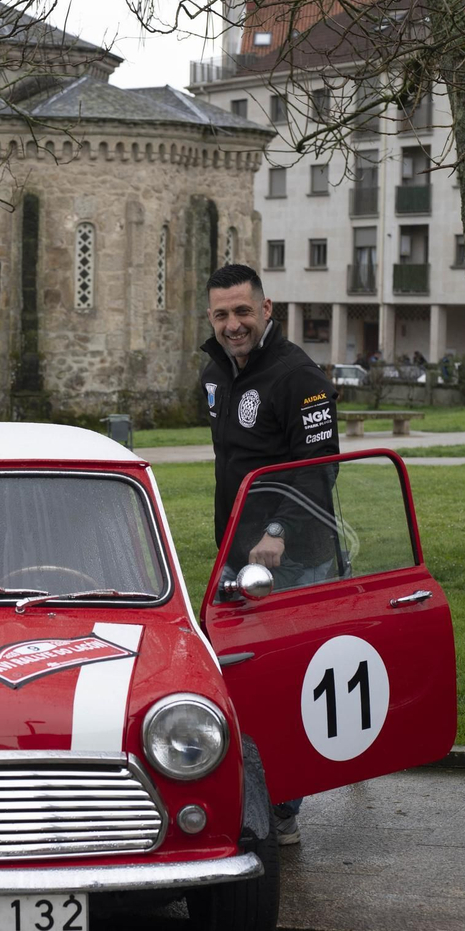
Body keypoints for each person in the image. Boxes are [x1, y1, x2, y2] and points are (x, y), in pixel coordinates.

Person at [198, 263, 339, 848]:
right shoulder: (215, 374)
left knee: (283, 682)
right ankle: (246, 793)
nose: (233, 324)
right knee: (235, 678)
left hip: (294, 555)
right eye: (222, 314)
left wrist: (277, 526)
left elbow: (317, 463)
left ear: (267, 308)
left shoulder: (298, 375)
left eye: (243, 312)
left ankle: (281, 810)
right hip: (236, 553)